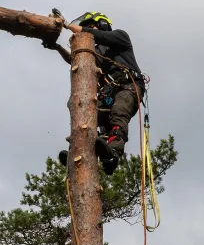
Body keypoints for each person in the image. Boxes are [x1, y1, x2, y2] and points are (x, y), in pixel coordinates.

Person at [43, 11, 145, 175]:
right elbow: (75, 60)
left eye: (91, 26)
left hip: (128, 87)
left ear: (103, 25)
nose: (88, 31)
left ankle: (112, 155)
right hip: (109, 94)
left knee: (118, 115)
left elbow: (96, 35)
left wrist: (67, 25)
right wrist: (56, 46)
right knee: (84, 115)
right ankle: (77, 153)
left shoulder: (120, 37)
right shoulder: (97, 52)